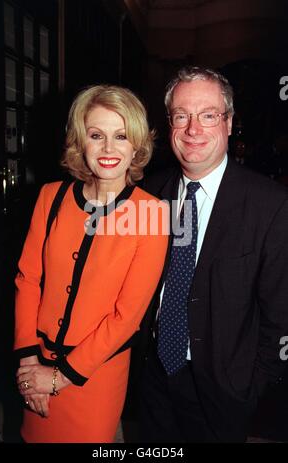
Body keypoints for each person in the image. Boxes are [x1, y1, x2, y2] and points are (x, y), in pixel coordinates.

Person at [137, 66, 288, 442]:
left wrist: (252, 386)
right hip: (153, 376)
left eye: (208, 115)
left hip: (225, 390)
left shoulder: (270, 204)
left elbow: (281, 314)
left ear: (230, 122)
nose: (193, 129)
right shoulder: (149, 195)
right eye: (181, 116)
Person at [14, 85, 168, 443]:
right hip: (34, 363)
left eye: (121, 136)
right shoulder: (50, 196)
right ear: (81, 140)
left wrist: (59, 377)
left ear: (137, 147)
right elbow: (28, 279)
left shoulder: (153, 214)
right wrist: (29, 366)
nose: (109, 149)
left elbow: (127, 317)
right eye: (96, 135)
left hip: (95, 378)